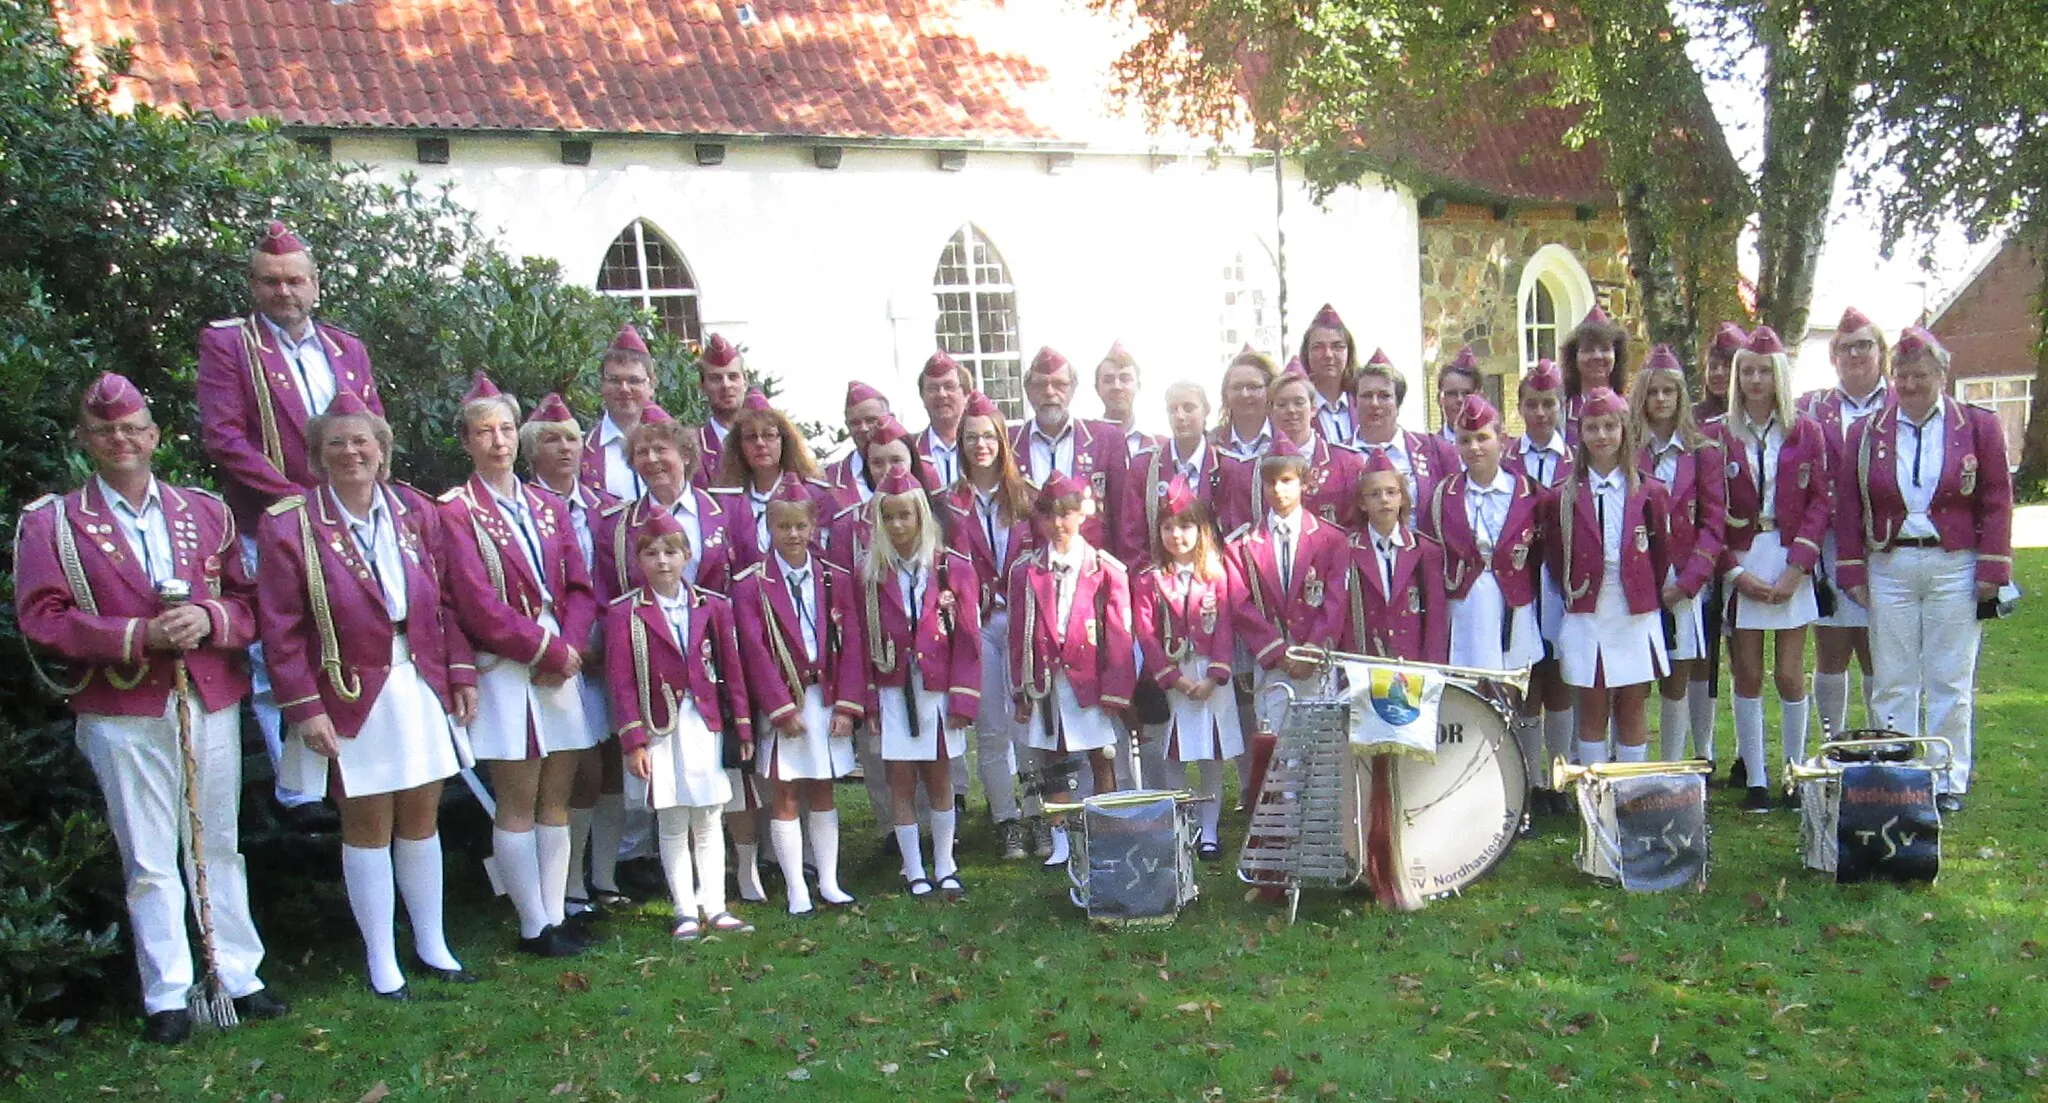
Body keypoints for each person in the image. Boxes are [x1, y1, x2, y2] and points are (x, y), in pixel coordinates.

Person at [15, 373, 287, 1044]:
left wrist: (207, 616)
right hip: (122, 702)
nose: (121, 438)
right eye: (106, 430)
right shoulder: (52, 520)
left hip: (207, 695)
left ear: (156, 436)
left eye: (133, 427)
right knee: (148, 855)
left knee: (219, 844)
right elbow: (41, 617)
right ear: (85, 440)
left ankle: (238, 976)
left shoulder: (204, 511)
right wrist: (139, 635)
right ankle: (167, 992)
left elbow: (251, 604)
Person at [256, 390, 476, 999]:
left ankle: (432, 943)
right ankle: (383, 959)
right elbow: (280, 626)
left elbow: (447, 600)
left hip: (417, 681)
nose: (352, 452)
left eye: (363, 441)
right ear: (317, 455)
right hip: (349, 690)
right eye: (337, 443)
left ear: (383, 450)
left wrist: (460, 673)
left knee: (422, 817)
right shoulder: (290, 525)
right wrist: (304, 707)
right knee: (368, 822)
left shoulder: (415, 512)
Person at [198, 220, 381, 825]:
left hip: (349, 518)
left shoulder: (345, 348)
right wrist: (297, 497)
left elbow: (373, 428)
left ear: (315, 284)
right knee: (280, 646)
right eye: (272, 282)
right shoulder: (230, 345)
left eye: (296, 280)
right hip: (272, 520)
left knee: (353, 633)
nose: (285, 292)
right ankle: (299, 789)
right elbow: (225, 438)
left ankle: (359, 764)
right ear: (253, 285)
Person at [437, 375, 599, 957]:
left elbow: (580, 585)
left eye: (506, 429)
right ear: (467, 442)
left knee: (557, 792)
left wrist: (572, 648)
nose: (498, 442)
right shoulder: (456, 514)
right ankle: (532, 923)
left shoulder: (547, 506)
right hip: (509, 667)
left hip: (560, 661)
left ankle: (556, 913)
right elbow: (474, 601)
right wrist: (547, 651)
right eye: (485, 432)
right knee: (517, 798)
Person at [1836, 327, 2012, 813]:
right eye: (1902, 376)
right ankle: (1896, 775)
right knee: (1892, 675)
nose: (1909, 385)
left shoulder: (1976, 426)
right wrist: (1852, 570)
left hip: (1955, 562)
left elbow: (1997, 499)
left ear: (1941, 374)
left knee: (1950, 675)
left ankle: (1947, 777)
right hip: (1889, 562)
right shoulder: (1867, 431)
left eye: (1920, 375)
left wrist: (1993, 569)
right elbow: (1850, 506)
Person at [605, 511, 757, 938]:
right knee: (671, 820)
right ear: (639, 560)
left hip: (704, 723)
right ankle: (684, 908)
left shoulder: (713, 606)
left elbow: (733, 671)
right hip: (659, 728)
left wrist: (742, 727)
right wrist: (633, 740)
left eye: (671, 552)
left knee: (709, 816)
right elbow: (621, 682)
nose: (663, 562)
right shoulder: (625, 614)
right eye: (651, 553)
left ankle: (716, 904)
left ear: (688, 554)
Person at [732, 477, 867, 915]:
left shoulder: (835, 576)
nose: (793, 534)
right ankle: (796, 888)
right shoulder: (752, 584)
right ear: (769, 530)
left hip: (825, 698)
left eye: (800, 526)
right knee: (786, 793)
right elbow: (753, 651)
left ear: (814, 527)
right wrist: (780, 708)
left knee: (824, 789)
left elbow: (853, 646)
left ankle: (828, 880)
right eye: (783, 526)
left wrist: (848, 705)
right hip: (785, 702)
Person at [1713, 326, 1827, 811]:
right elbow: (1707, 509)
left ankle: (1795, 773)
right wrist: (1736, 573)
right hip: (1742, 559)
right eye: (1747, 371)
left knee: (1789, 673)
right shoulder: (1719, 433)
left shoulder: (1806, 430)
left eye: (1764, 370)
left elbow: (1822, 501)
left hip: (1789, 554)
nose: (1755, 379)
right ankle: (1756, 778)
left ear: (1779, 374)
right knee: (1747, 671)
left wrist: (1798, 568)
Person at [860, 470, 983, 897]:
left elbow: (969, 641)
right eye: (889, 517)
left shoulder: (952, 568)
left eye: (905, 516)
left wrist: (964, 700)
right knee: (899, 778)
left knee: (939, 775)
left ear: (921, 517)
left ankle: (945, 861)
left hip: (938, 689)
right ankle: (914, 868)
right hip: (894, 688)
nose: (897, 526)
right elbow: (862, 643)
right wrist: (870, 705)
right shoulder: (872, 575)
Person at [520, 394, 620, 918]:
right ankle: (568, 884)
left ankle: (602, 876)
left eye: (572, 438)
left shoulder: (605, 508)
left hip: (610, 650)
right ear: (531, 449)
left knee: (612, 767)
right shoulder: (524, 505)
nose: (564, 448)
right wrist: (573, 646)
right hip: (555, 653)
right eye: (551, 439)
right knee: (574, 768)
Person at [1008, 473, 1137, 866]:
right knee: (1054, 760)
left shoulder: (1106, 568)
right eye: (1050, 517)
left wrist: (1116, 690)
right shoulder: (1025, 571)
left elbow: (1119, 634)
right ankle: (1061, 838)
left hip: (1090, 682)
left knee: (1103, 754)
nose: (1058, 525)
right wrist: (1021, 690)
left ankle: (1105, 832)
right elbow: (1019, 635)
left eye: (1066, 515)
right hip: (1048, 682)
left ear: (1082, 514)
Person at [1543, 387, 1671, 766]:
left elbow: (1661, 553)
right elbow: (1554, 556)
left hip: (1634, 607)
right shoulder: (1561, 497)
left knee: (1633, 704)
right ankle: (1594, 798)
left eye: (1610, 427)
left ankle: (1631, 793)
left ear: (1625, 430)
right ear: (1580, 434)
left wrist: (1641, 587)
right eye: (1593, 427)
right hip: (1588, 607)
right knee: (1593, 704)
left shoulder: (1650, 491)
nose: (1602, 436)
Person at [940, 391, 1042, 859]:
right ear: (959, 443)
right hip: (977, 624)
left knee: (1029, 721)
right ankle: (1006, 820)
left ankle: (1038, 813)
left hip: (1024, 624)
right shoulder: (948, 504)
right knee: (992, 729)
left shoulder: (1028, 497)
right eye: (971, 437)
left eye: (989, 437)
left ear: (1004, 441)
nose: (981, 445)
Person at [1130, 477, 1242, 857]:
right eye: (1168, 527)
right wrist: (1174, 680)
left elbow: (1225, 625)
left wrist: (1215, 675)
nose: (1176, 535)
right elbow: (1146, 634)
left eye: (1185, 526)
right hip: (1174, 682)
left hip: (1211, 678)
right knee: (1174, 752)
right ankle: (1179, 825)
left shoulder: (1216, 574)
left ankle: (1209, 830)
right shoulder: (1149, 580)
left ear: (1201, 529)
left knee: (1211, 753)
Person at [1631, 347, 1728, 762]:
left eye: (1669, 391)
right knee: (1635, 673)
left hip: (1685, 576)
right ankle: (1631, 758)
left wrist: (1691, 581)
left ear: (1681, 396)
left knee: (1679, 670)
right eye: (1653, 392)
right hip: (1639, 575)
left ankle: (1675, 762)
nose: (1661, 399)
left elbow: (1714, 522)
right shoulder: (1628, 448)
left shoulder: (1703, 450)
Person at [1802, 307, 1889, 742]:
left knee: (1881, 650)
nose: (1855, 354)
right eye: (1846, 347)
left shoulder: (1900, 401)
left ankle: (1882, 741)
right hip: (1833, 542)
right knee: (1832, 647)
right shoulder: (1813, 407)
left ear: (1881, 352)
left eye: (1864, 345)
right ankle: (1834, 742)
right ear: (1833, 355)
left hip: (1887, 544)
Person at [1227, 436, 1350, 718]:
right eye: (1271, 482)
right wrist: (1277, 652)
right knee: (1274, 745)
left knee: (1318, 743)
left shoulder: (1331, 539)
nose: (1278, 489)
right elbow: (1240, 605)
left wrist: (1313, 649)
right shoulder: (1242, 545)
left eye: (1286, 480)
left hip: (1316, 662)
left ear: (1303, 483)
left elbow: (1335, 600)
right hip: (1272, 662)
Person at [1505, 359, 1575, 790]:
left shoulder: (1578, 457)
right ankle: (1531, 781)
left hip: (1565, 580)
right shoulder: (1508, 459)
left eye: (1549, 403)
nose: (1541, 413)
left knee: (1561, 678)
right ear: (1519, 407)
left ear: (1561, 405)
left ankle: (1559, 778)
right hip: (1523, 583)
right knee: (1529, 677)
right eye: (1532, 404)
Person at [1222, 362, 1366, 533]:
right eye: (1281, 405)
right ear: (1270, 410)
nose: (1291, 410)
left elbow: (1359, 527)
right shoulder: (1250, 470)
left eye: (1299, 403)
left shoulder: (1347, 463)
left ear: (1313, 408)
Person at [1011, 346, 1128, 551]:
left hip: (1092, 572)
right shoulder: (1009, 444)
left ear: (1073, 389)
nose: (1049, 392)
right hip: (1029, 571)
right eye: (1040, 385)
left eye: (1059, 384)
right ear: (1028, 391)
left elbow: (1121, 518)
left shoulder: (1106, 440)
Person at [1343, 451, 1449, 662]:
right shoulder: (1348, 550)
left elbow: (1436, 620)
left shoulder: (1425, 550)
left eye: (1391, 492)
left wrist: (1433, 671)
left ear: (1402, 498)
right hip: (1365, 664)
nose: (1384, 500)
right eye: (1374, 494)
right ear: (1362, 503)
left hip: (1413, 663)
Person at [713, 391, 828, 571]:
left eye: (769, 435)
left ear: (784, 441)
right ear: (739, 445)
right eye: (751, 437)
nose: (760, 443)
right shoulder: (728, 501)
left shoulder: (814, 495)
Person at [1121, 381, 1226, 570]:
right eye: (1173, 409)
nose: (1180, 416)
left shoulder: (1225, 464)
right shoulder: (1144, 466)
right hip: (1158, 584)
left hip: (1214, 582)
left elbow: (1233, 534)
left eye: (1189, 408)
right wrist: (1153, 584)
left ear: (1206, 411)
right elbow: (1132, 538)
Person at [1350, 350, 1447, 508]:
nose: (1374, 403)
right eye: (1367, 395)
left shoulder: (1435, 449)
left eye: (1384, 396)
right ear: (1355, 401)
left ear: (1398, 403)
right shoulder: (1337, 454)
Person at [579, 325, 659, 500]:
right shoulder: (581, 451)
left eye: (634, 380)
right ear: (601, 384)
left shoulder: (675, 445)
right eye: (614, 380)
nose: (624, 389)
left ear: (651, 385)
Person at [1560, 305, 1630, 439]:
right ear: (1573, 357)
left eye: (1605, 349)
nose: (1597, 356)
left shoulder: (1630, 411)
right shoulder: (1560, 413)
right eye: (1588, 349)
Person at [1300, 303, 1359, 445]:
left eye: (1337, 346)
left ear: (1349, 352)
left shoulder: (1362, 403)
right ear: (1306, 354)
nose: (1328, 355)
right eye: (1318, 347)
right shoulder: (1298, 408)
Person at [825, 380, 893, 500]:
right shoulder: (829, 480)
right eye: (855, 423)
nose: (863, 428)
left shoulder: (919, 469)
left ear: (891, 419)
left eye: (871, 420)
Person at [695, 333, 749, 482]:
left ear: (745, 382)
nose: (726, 385)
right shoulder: (692, 447)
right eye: (715, 378)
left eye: (733, 376)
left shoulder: (769, 440)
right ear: (702, 386)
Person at [916, 350, 972, 488]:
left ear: (966, 395)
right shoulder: (911, 451)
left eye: (949, 387)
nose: (941, 394)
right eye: (932, 388)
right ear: (922, 397)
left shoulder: (984, 448)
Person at [1095, 341, 1158, 457]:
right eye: (1108, 380)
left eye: (1125, 379)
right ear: (1097, 388)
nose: (1117, 387)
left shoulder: (1160, 446)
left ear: (1138, 386)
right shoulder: (1083, 442)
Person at [1428, 344, 1482, 473]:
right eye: (1452, 394)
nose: (1459, 400)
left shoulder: (1497, 447)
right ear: (1439, 399)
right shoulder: (1428, 449)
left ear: (1480, 397)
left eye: (1466, 394)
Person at [1695, 322, 1743, 423]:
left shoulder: (1756, 417)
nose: (1719, 373)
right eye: (1713, 366)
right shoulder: (1693, 418)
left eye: (1727, 366)